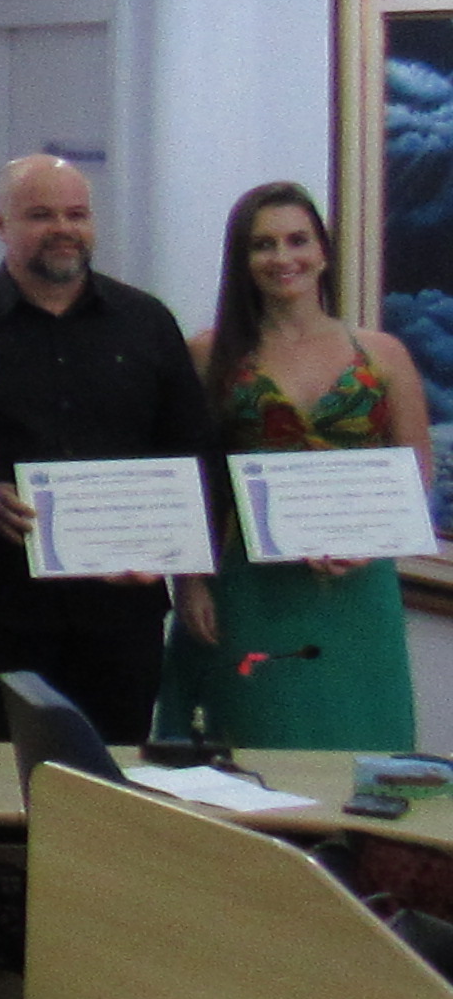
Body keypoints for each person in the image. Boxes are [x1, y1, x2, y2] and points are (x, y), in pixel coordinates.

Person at [0, 157, 217, 744]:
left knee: (112, 778)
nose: (63, 229)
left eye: (76, 214)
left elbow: (189, 452)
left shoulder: (147, 322)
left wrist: (188, 570)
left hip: (121, 613)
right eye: (40, 215)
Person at [170, 182, 427, 750]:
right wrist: (189, 582)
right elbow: (190, 483)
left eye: (297, 240)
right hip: (251, 587)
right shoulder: (209, 355)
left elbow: (416, 475)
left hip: (357, 588)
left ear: (324, 252)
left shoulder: (383, 355)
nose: (283, 257)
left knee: (364, 746)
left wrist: (366, 542)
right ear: (242, 260)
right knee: (258, 745)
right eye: (263, 245)